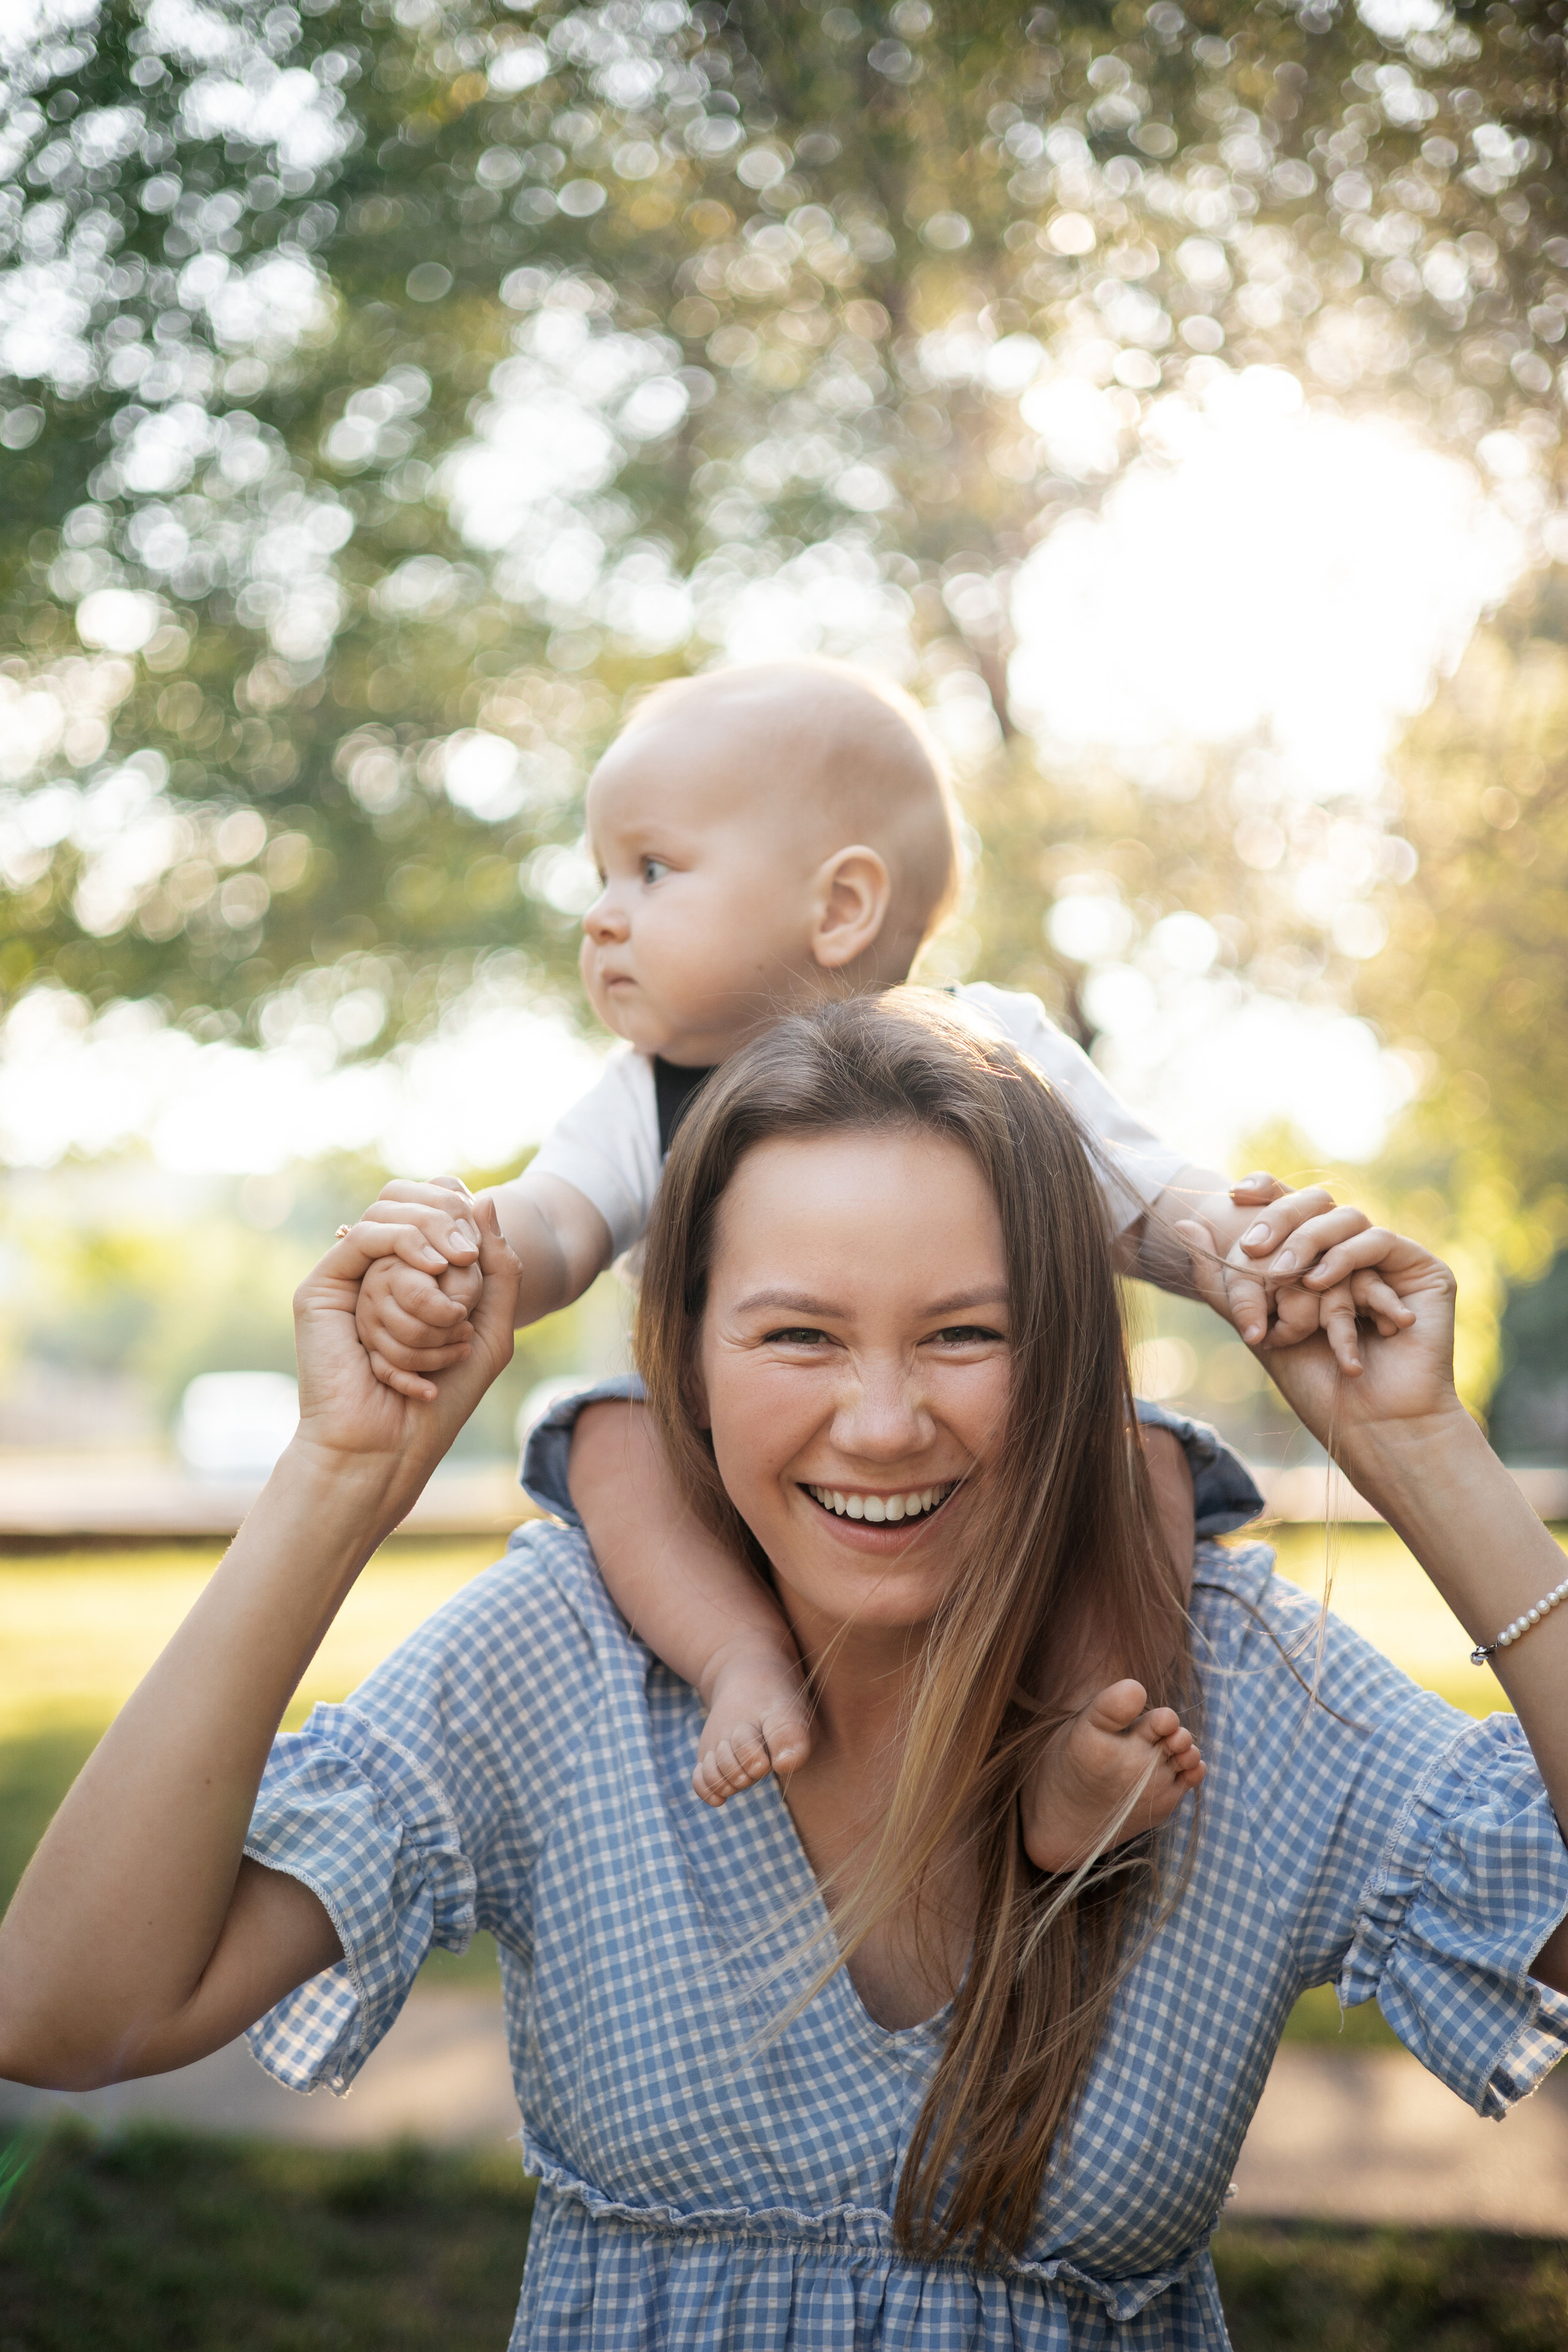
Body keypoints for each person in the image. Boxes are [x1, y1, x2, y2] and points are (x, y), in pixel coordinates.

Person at [4, 997, 1564, 2352]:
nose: (881, 1424)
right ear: (679, 1355)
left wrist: (1419, 1455)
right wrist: (343, 1473)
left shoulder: (1231, 1677)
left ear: (1076, 1354)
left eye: (965, 1335)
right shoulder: (568, 1649)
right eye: (798, 1337)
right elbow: (72, 2014)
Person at [345, 660, 1379, 1857]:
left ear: (839, 907)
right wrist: (462, 1260)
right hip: (724, 1475)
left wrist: (1249, 1250)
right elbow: (558, 1224)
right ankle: (739, 1658)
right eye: (601, 877)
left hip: (979, 1472)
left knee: (1141, 1458)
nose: (601, 915)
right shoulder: (649, 1098)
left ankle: (1080, 1740)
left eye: (652, 869)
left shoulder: (988, 1052)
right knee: (606, 1439)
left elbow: (1147, 1205)